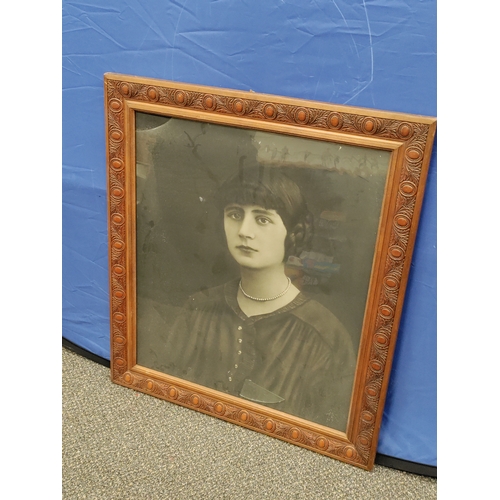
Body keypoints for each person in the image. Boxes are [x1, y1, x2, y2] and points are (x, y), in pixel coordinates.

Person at [161, 165, 356, 430]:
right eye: (234, 214)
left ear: (294, 232)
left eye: (262, 218)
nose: (244, 230)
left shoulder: (324, 337)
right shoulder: (199, 308)